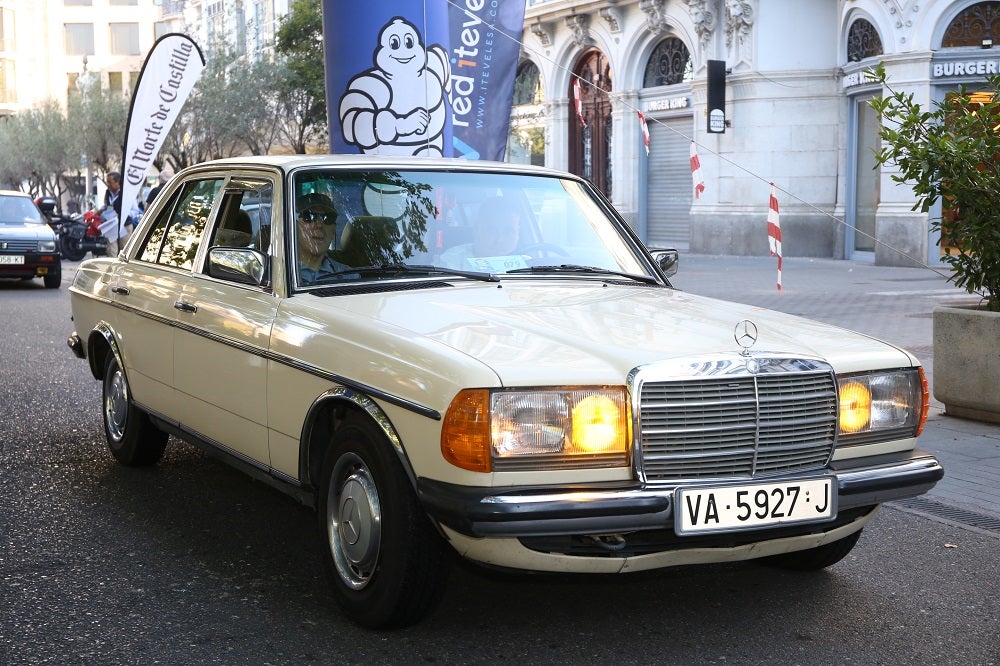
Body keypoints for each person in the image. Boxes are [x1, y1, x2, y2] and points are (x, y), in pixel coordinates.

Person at [439, 197, 522, 271]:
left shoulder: (528, 265)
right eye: (491, 230)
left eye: (509, 231)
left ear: (518, 233)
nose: (500, 240)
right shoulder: (449, 263)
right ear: (476, 230)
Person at [296, 192, 351, 285]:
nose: (319, 224)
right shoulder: (278, 274)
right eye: (309, 216)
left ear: (334, 229)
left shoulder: (349, 276)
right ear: (294, 226)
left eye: (328, 218)